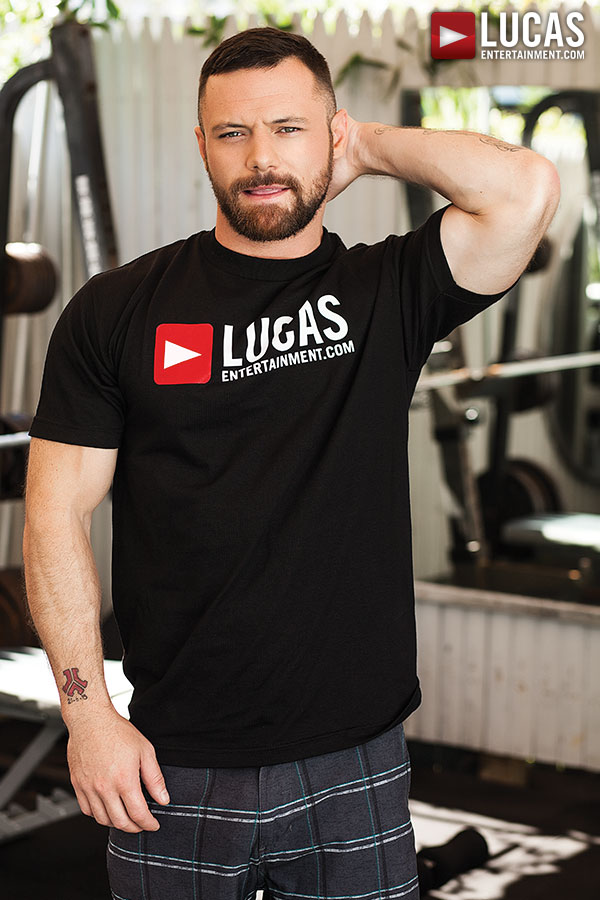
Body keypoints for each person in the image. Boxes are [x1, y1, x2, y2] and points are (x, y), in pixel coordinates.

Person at [22, 26, 560, 900]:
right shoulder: (117, 311)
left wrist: (371, 147)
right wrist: (89, 719)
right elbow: (53, 514)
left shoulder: (387, 292)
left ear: (331, 135)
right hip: (170, 760)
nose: (261, 159)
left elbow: (526, 187)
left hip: (354, 754)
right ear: (202, 145)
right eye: (233, 133)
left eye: (289, 129)